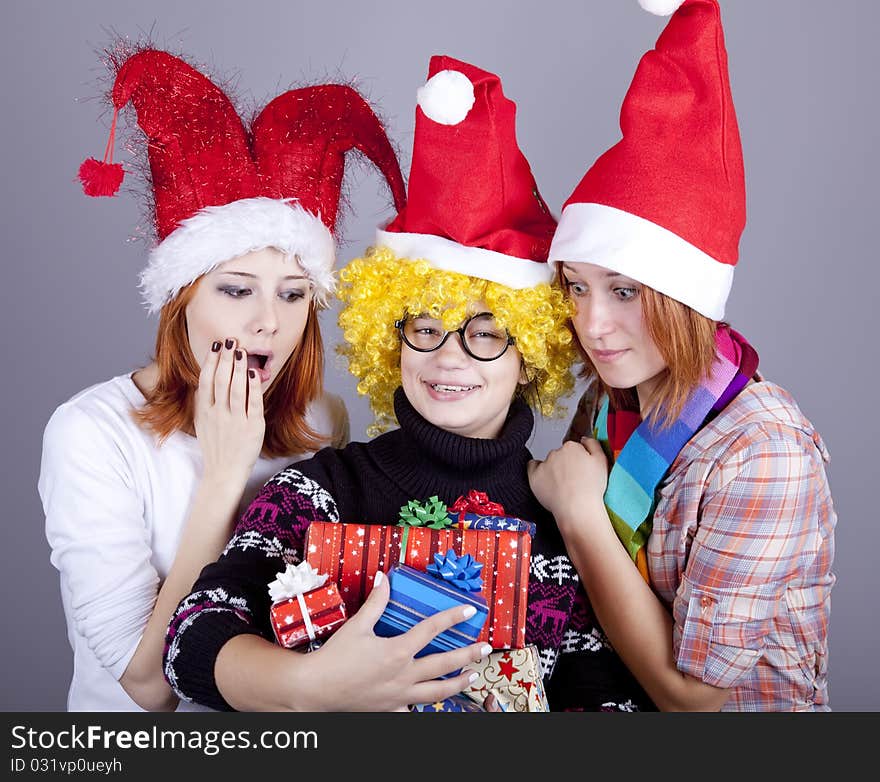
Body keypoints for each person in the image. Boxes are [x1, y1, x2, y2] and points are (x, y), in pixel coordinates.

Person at [163, 55, 654, 712]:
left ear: (529, 356)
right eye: (425, 328)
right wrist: (310, 686)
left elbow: (613, 695)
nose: (448, 358)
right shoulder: (321, 492)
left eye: (484, 333)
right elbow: (191, 639)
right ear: (388, 342)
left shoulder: (566, 521)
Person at [38, 47, 406, 711]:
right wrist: (223, 476)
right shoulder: (90, 434)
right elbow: (148, 688)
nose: (268, 322)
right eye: (237, 290)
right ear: (183, 298)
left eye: (293, 295)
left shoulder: (322, 418)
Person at [529, 0, 837, 711]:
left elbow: (693, 699)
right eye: (576, 287)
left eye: (626, 292)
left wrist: (579, 517)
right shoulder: (613, 397)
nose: (592, 324)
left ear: (686, 296)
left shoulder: (762, 451)